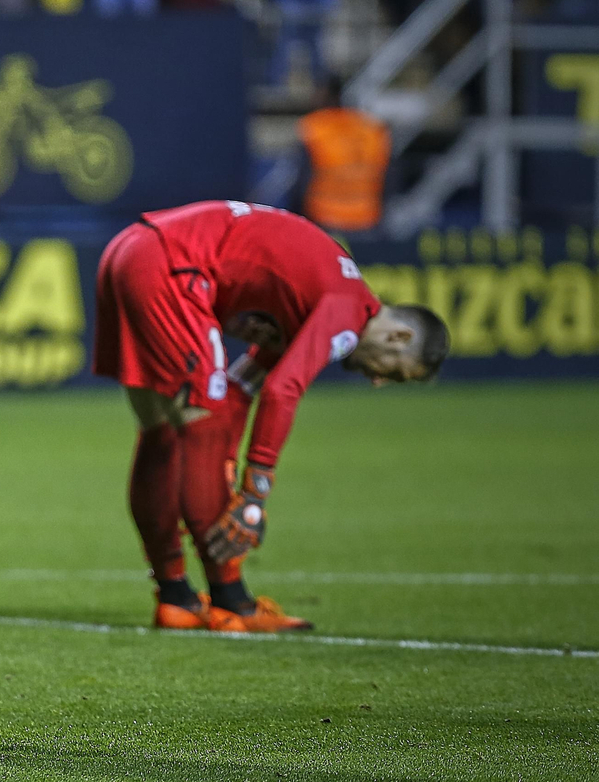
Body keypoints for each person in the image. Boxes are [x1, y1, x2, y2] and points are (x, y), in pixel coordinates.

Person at [92, 200, 449, 632]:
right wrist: (254, 495)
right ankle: (231, 603)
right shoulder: (347, 311)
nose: (379, 381)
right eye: (395, 372)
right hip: (174, 267)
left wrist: (236, 468)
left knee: (160, 426)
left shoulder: (323, 290)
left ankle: (176, 598)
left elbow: (245, 388)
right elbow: (283, 389)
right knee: (199, 421)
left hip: (129, 250)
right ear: (398, 335)